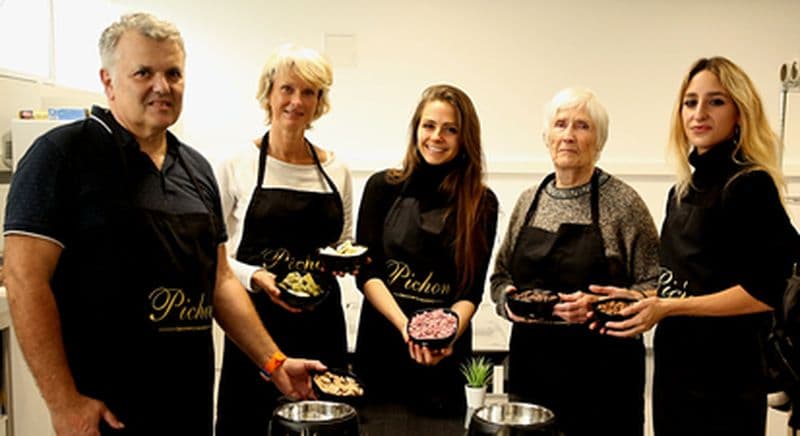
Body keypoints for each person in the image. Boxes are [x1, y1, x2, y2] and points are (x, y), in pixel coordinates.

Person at [3, 13, 324, 436]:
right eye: (143, 73)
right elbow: (24, 278)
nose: (162, 86)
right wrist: (64, 402)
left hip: (187, 406)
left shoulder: (195, 168)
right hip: (104, 412)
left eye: (173, 73)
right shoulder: (61, 156)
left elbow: (220, 278)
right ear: (108, 80)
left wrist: (274, 362)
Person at [592, 57, 799, 436]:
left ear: (740, 112)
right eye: (690, 102)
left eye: (715, 101)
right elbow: (687, 279)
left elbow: (766, 291)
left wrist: (669, 307)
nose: (699, 113)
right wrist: (641, 297)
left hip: (726, 375)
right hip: (676, 368)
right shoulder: (682, 190)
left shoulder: (749, 185)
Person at [490, 87, 660, 436]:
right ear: (545, 136)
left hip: (604, 380)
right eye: (560, 124)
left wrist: (602, 306)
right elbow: (500, 276)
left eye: (582, 126)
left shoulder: (624, 204)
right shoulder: (528, 202)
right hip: (531, 373)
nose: (568, 135)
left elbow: (655, 284)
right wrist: (508, 301)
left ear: (600, 141)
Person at [214, 43, 352, 435]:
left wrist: (347, 261)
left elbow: (343, 240)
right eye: (287, 89)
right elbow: (212, 254)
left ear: (319, 102)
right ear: (269, 94)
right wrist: (254, 276)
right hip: (255, 324)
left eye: (308, 92)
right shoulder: (236, 164)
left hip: (321, 324)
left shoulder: (335, 168)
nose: (296, 101)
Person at [354, 84, 498, 417]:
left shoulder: (481, 203)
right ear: (416, 129)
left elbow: (471, 290)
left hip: (445, 357)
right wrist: (406, 327)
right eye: (429, 126)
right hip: (381, 346)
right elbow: (368, 273)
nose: (437, 137)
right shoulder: (382, 188)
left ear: (465, 139)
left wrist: (443, 336)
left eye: (451, 130)